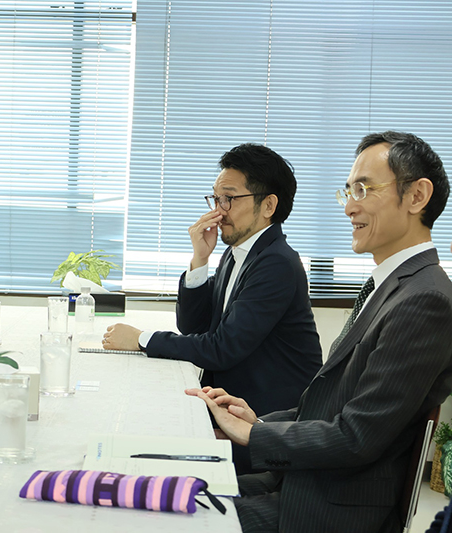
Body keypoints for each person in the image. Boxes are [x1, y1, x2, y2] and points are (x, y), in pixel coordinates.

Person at [189, 131, 452, 533]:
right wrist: (258, 422)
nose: (349, 207)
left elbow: (358, 435)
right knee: (166, 491)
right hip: (302, 482)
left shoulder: (425, 298)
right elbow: (334, 403)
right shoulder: (394, 284)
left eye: (363, 190)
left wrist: (252, 437)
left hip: (326, 509)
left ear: (417, 196)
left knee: (159, 513)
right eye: (347, 191)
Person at [103, 143, 322, 419]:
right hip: (229, 402)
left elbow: (222, 348)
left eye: (228, 199)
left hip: (269, 418)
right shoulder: (236, 253)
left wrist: (141, 339)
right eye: (216, 199)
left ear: (268, 205)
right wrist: (200, 259)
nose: (219, 211)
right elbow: (193, 327)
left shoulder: (277, 263)